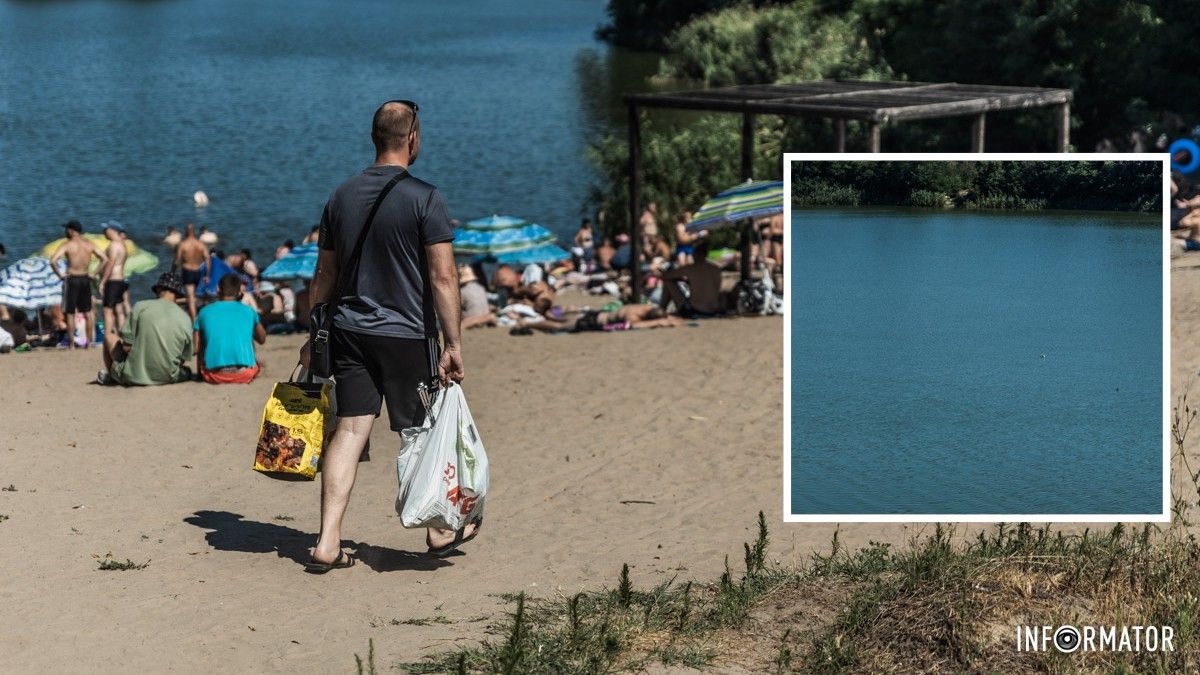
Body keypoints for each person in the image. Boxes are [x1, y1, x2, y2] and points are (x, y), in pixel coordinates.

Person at [299, 99, 469, 572]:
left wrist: (316, 330)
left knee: (350, 430)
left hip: (349, 330)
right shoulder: (426, 197)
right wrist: (453, 344)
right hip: (407, 334)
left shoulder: (340, 195)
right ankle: (437, 531)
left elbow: (324, 273)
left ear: (375, 138)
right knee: (419, 431)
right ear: (412, 139)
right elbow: (442, 278)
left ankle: (327, 542)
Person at [98, 273, 193, 386]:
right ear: (177, 295)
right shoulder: (185, 318)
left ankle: (114, 377)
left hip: (134, 376)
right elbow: (184, 356)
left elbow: (126, 347)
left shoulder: (140, 306)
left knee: (109, 337)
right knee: (187, 371)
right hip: (168, 376)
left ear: (158, 289)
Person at [194, 274, 266, 384]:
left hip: (214, 375)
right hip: (244, 374)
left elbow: (197, 347)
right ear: (239, 292)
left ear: (218, 289)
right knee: (248, 337)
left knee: (205, 338)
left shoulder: (204, 312)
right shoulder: (249, 311)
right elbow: (262, 339)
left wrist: (200, 374)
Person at [49, 220, 107, 350]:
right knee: (88, 311)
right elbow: (104, 259)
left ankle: (71, 345)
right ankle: (89, 343)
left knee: (70, 313)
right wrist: (94, 273)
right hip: (85, 278)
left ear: (71, 230)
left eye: (66, 229)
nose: (65, 232)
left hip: (72, 279)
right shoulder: (89, 244)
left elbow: (52, 261)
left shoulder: (67, 244)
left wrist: (60, 275)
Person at [660, 240, 724, 317]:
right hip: (713, 309)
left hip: (697, 310)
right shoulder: (716, 269)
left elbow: (666, 276)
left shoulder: (691, 268)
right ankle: (661, 309)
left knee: (668, 282)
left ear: (695, 254)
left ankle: (661, 309)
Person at [98, 220, 130, 334]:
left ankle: (107, 336)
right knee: (119, 309)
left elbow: (111, 264)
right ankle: (122, 334)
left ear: (112, 230)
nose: (103, 232)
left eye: (106, 230)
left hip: (112, 281)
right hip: (120, 280)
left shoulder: (114, 245)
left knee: (107, 310)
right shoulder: (123, 245)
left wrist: (102, 281)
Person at [173, 224, 210, 319]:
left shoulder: (183, 244)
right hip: (197, 272)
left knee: (190, 298)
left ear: (186, 232)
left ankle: (194, 322)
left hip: (188, 271)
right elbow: (207, 260)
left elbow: (177, 261)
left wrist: (172, 272)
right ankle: (193, 314)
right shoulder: (201, 244)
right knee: (192, 295)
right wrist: (207, 275)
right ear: (194, 232)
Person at [459, 265, 495, 329]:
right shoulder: (481, 287)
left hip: (470, 321)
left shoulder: (462, 291)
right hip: (485, 321)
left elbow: (457, 307)